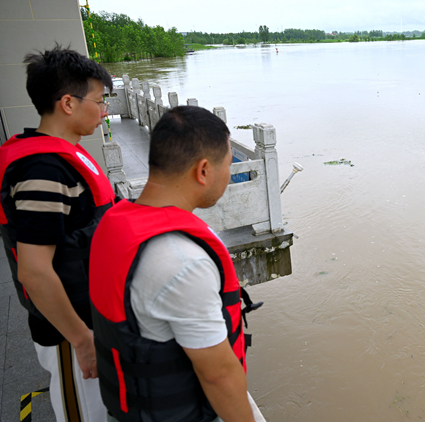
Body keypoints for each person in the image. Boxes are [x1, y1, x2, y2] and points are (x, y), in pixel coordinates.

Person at [89, 106, 265, 422]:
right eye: (227, 164)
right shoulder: (183, 263)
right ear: (203, 171)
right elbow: (219, 375)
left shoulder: (114, 224)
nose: (229, 173)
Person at [0, 45, 114, 421]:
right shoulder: (43, 171)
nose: (104, 110)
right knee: (85, 413)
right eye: (99, 101)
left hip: (91, 316)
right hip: (70, 330)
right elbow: (33, 270)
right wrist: (81, 340)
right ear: (68, 103)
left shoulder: (61, 158)